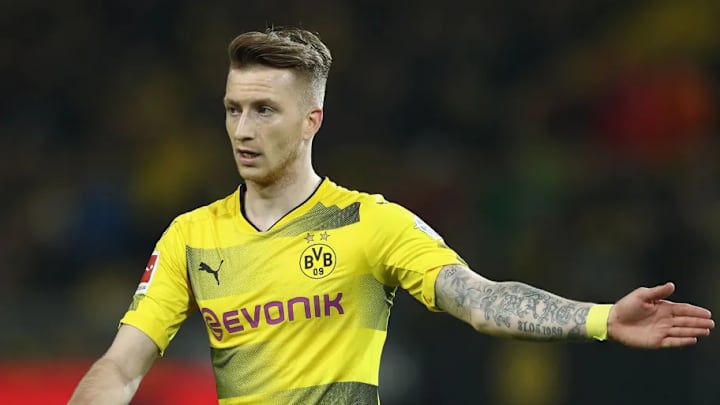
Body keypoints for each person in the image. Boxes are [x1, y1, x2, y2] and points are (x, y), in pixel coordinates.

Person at [68, 27, 715, 405]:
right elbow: (121, 366)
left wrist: (600, 318)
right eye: (233, 109)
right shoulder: (190, 236)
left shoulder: (370, 223)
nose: (242, 128)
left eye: (264, 110)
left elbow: (479, 300)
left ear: (311, 120)